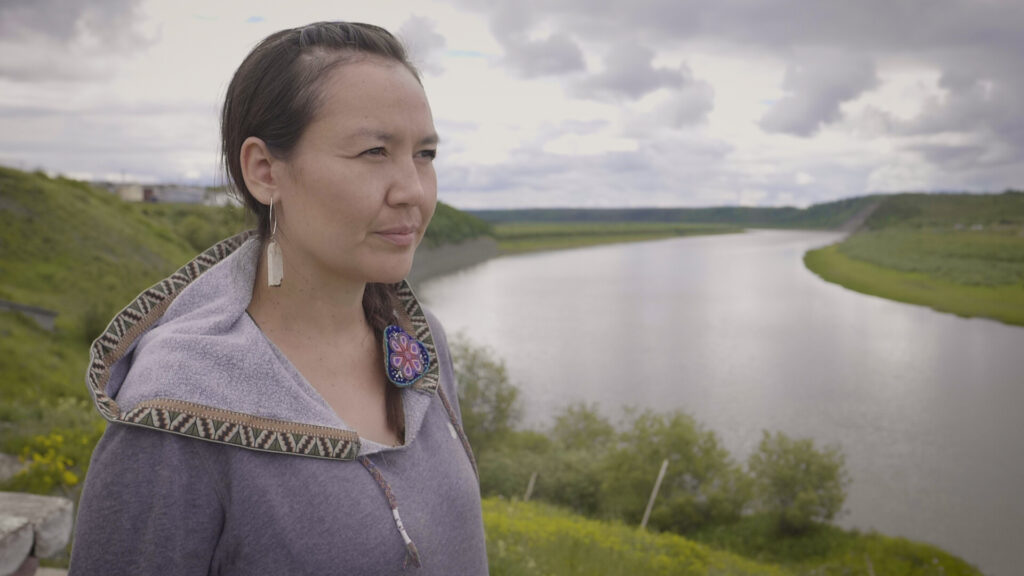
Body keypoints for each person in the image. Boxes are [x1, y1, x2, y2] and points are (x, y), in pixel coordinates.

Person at [69, 22, 488, 575]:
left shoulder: (416, 340)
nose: (412, 188)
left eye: (425, 154)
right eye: (373, 151)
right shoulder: (174, 411)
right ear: (265, 171)